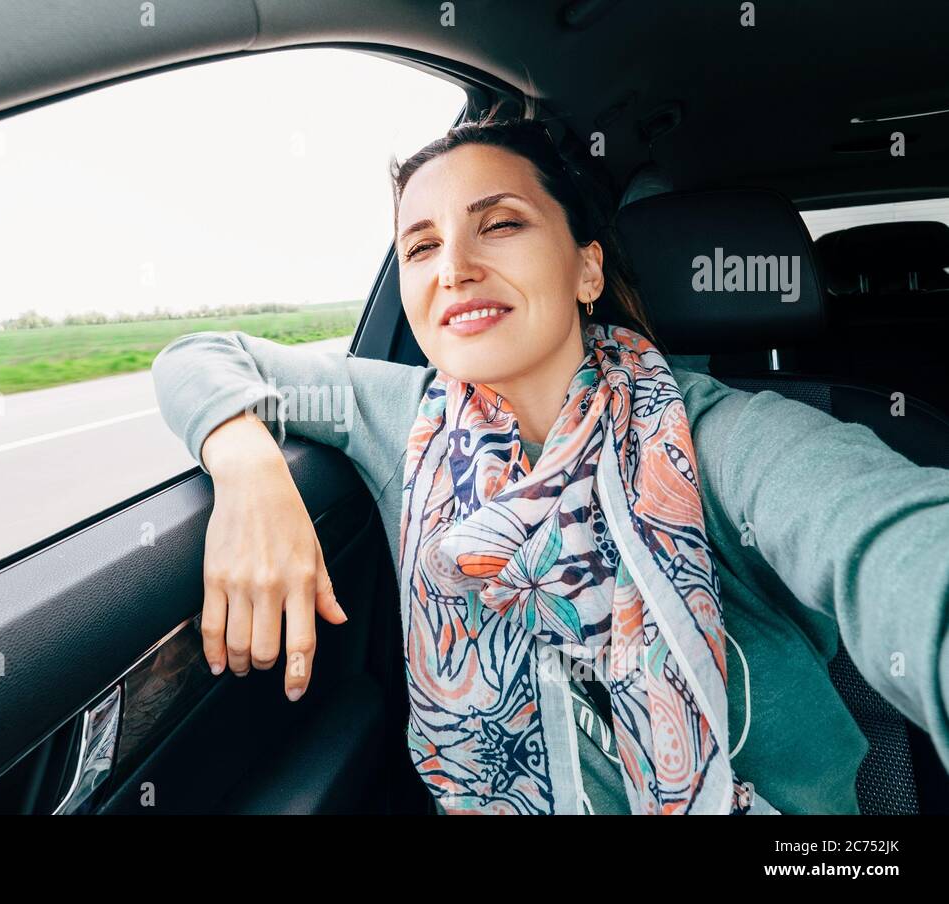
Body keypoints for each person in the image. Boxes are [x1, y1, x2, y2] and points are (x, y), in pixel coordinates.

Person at [150, 110, 949, 815]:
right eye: (421, 245)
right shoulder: (402, 417)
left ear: (587, 268)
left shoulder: (720, 440)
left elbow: (886, 538)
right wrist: (250, 472)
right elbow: (203, 356)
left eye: (499, 224)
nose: (453, 266)